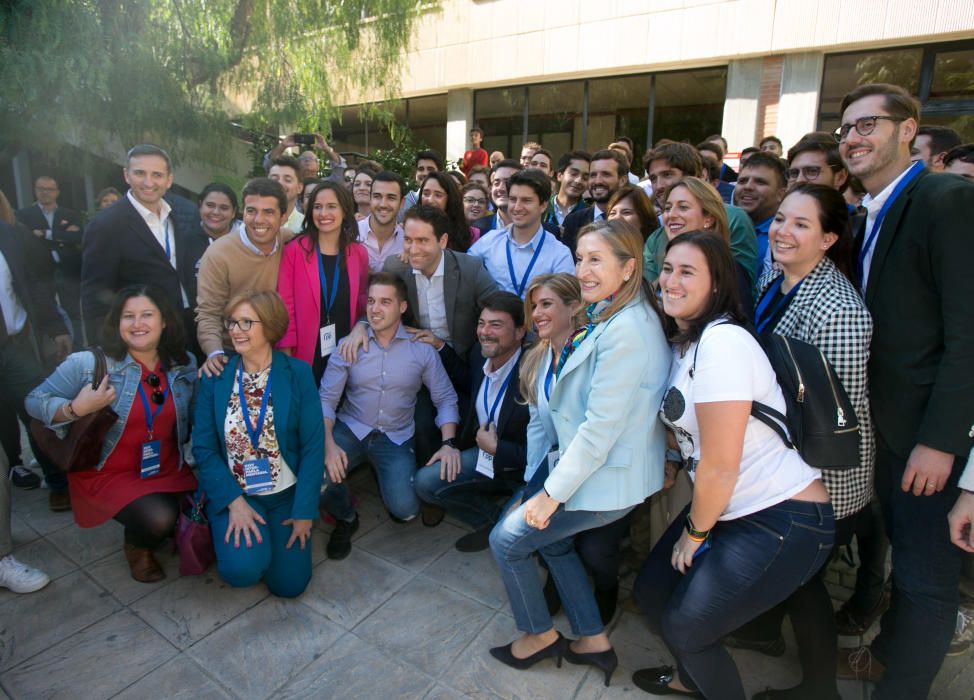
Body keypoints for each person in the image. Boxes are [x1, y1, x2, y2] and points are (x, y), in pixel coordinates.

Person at [632, 230, 834, 700]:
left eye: (687, 272)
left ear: (718, 284)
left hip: (780, 518)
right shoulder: (689, 343)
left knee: (685, 627)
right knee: (654, 591)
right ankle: (690, 677)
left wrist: (696, 533)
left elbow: (722, 464)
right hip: (730, 508)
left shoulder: (723, 343)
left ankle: (700, 674)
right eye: (666, 269)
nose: (670, 281)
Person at [834, 83, 974, 700]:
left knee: (924, 578)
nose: (853, 138)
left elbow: (969, 335)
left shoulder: (947, 198)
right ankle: (890, 656)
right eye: (845, 129)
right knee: (903, 568)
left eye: (868, 124)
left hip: (926, 439)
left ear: (908, 130)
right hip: (884, 431)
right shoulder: (871, 210)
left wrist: (940, 443)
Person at [488, 219, 670, 686]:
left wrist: (549, 495)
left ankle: (537, 635)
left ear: (629, 268)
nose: (583, 270)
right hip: (594, 469)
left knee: (507, 542)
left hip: (607, 477)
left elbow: (599, 429)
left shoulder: (627, 328)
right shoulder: (612, 313)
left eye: (596, 260)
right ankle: (592, 639)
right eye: (579, 258)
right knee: (557, 542)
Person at [726, 184, 873, 700]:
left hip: (822, 474)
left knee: (804, 580)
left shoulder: (840, 311)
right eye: (782, 220)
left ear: (829, 238)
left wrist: (807, 489)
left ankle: (819, 689)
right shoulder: (775, 273)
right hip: (780, 455)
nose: (783, 232)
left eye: (801, 225)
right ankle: (764, 633)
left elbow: (838, 419)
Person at [26, 285, 198, 582]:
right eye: (127, 316)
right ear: (117, 322)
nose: (137, 324)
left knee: (197, 514)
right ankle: (137, 545)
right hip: (109, 472)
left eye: (147, 314)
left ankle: (155, 518)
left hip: (165, 465)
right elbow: (34, 401)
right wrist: (75, 408)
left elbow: (195, 415)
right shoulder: (89, 363)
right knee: (161, 519)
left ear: (164, 321)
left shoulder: (183, 365)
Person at [192, 290, 324, 598]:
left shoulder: (298, 373)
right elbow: (204, 448)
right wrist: (233, 502)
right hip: (239, 493)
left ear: (271, 326)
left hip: (284, 496)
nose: (235, 331)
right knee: (242, 571)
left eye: (246, 323)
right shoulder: (217, 376)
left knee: (290, 586)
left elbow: (313, 447)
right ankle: (237, 539)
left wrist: (305, 511)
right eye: (232, 323)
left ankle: (268, 545)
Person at [343, 206, 499, 464]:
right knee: (423, 421)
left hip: (461, 358)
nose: (413, 249)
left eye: (423, 241)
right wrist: (361, 325)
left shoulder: (469, 268)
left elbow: (496, 307)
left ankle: (469, 466)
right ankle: (427, 474)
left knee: (474, 412)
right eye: (408, 240)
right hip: (421, 357)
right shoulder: (397, 266)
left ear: (443, 241)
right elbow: (376, 302)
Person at [319, 272, 460, 559]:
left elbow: (445, 398)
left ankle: (383, 474)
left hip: (394, 438)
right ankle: (346, 517)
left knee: (406, 511)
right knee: (317, 475)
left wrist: (448, 443)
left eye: (385, 302)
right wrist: (328, 446)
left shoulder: (421, 349)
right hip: (351, 429)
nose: (375, 309)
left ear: (402, 307)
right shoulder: (350, 345)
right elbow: (326, 400)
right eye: (371, 301)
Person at [414, 292, 529, 552]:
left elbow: (545, 451)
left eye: (496, 325)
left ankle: (504, 525)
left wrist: (499, 450)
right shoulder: (480, 353)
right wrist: (439, 346)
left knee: (511, 537)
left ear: (521, 331)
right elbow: (467, 380)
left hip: (523, 471)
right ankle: (490, 520)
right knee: (424, 483)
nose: (485, 332)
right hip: (484, 458)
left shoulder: (533, 372)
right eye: (481, 323)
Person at [81, 145, 199, 351]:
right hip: (138, 340)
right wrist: (105, 350)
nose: (148, 182)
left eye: (157, 175)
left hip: (180, 330)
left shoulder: (173, 215)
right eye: (140, 173)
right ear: (126, 175)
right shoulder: (106, 225)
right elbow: (95, 295)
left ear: (169, 179)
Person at [0, 217, 72, 509]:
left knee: (39, 409)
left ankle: (57, 481)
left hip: (15, 346)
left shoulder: (8, 235)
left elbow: (29, 282)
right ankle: (14, 466)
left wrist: (56, 327)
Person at [276, 181, 369, 385]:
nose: (323, 213)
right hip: (303, 353)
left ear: (345, 211)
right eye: (317, 207)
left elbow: (363, 300)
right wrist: (286, 355)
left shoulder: (358, 253)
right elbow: (285, 306)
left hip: (346, 353)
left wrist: (363, 325)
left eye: (331, 206)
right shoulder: (294, 250)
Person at [196, 178, 289, 378]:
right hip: (233, 351)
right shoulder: (218, 254)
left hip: (279, 349)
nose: (258, 220)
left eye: (268, 212)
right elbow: (208, 312)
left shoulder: (290, 241)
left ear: (283, 217)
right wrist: (215, 353)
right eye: (251, 211)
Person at [641, 142, 759, 290]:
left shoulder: (733, 218)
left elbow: (738, 287)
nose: (659, 185)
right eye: (653, 178)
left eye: (667, 174)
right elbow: (647, 293)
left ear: (697, 176)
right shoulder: (655, 239)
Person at [468, 170, 574, 298]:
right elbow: (463, 274)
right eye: (513, 199)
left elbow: (566, 302)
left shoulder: (559, 254)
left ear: (543, 205)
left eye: (526, 200)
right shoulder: (488, 242)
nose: (517, 207)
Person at [658, 177, 755, 314]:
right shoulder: (667, 259)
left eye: (683, 207)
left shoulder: (730, 270)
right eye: (667, 208)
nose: (671, 215)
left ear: (708, 219)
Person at [15, 175, 84, 338]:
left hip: (68, 270)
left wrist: (46, 234)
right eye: (41, 189)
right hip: (40, 272)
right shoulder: (24, 215)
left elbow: (78, 237)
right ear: (35, 191)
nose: (45, 192)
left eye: (50, 189)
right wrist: (63, 235)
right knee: (45, 312)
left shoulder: (70, 214)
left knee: (73, 312)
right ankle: (53, 353)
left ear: (57, 192)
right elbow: (26, 240)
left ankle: (79, 350)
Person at [733, 151, 788, 278]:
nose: (748, 187)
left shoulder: (785, 237)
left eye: (760, 182)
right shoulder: (721, 227)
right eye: (742, 181)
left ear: (781, 194)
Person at [561, 149, 627, 254]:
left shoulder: (633, 220)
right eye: (593, 175)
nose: (598, 181)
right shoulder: (573, 221)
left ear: (622, 180)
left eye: (606, 174)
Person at [357, 171, 406, 273]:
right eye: (377, 196)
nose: (383, 204)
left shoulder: (407, 243)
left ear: (402, 203)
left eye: (391, 198)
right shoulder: (351, 235)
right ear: (370, 198)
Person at [419, 171, 475, 250]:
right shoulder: (408, 228)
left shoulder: (470, 234)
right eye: (426, 194)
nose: (430, 200)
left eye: (438, 195)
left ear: (450, 199)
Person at [543, 150, 591, 231]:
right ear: (559, 175)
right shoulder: (541, 207)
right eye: (573, 174)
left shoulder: (590, 214)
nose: (578, 181)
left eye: (585, 178)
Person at [471, 159, 522, 234]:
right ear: (490, 188)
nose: (501, 188)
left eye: (508, 182)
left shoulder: (539, 229)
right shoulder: (478, 228)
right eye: (496, 183)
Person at [399, 150, 443, 223]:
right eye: (421, 169)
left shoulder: (448, 199)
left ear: (440, 173)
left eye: (430, 169)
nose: (425, 173)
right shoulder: (407, 201)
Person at [268, 155, 305, 235]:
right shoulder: (254, 222)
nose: (280, 183)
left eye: (287, 180)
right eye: (274, 179)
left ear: (299, 188)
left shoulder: (306, 226)